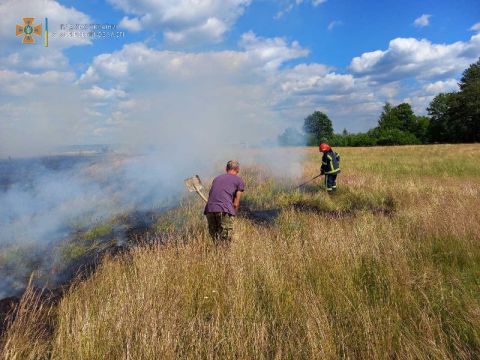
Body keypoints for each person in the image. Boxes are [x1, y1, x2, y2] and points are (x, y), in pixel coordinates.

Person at [204, 160, 245, 244]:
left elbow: (212, 194)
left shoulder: (216, 178)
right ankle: (223, 256)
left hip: (210, 209)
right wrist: (234, 214)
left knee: (215, 238)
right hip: (225, 209)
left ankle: (216, 255)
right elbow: (236, 203)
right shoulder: (239, 180)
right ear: (238, 169)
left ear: (226, 168)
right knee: (225, 240)